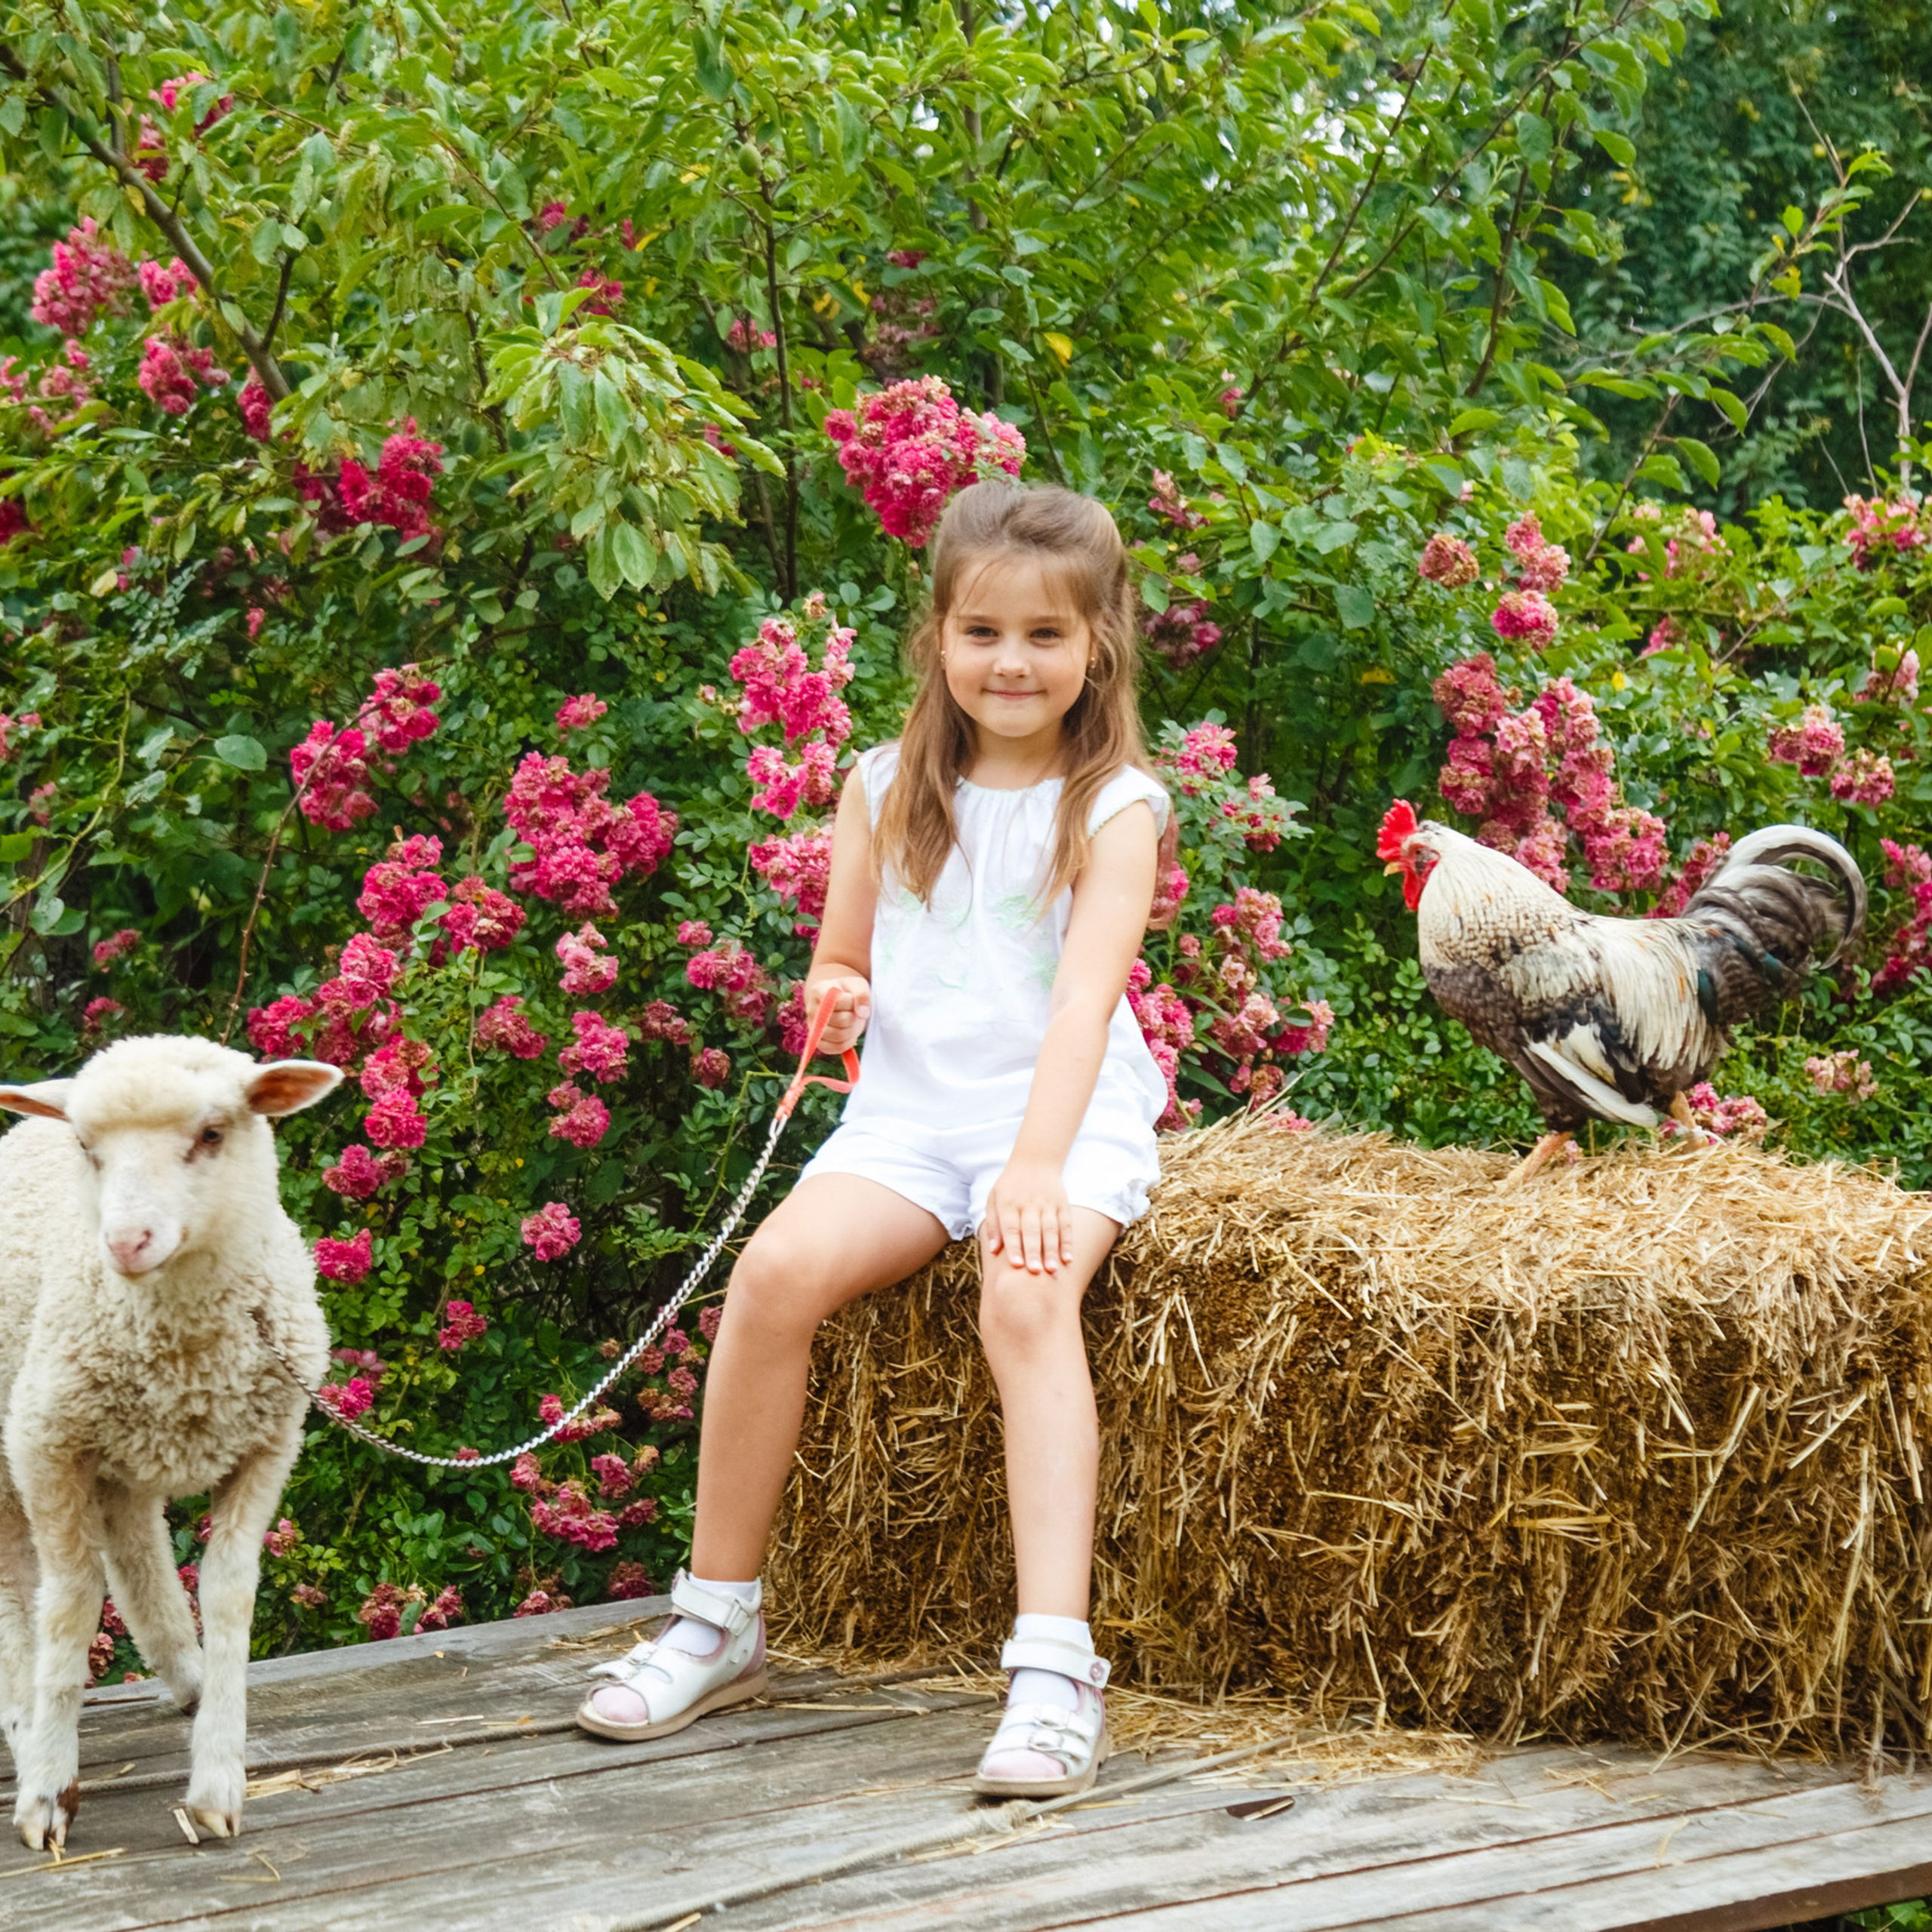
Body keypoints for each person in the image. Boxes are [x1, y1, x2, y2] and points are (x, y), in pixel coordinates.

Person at [575, 481, 1172, 1798]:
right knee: (774, 1278)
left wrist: (1032, 1164)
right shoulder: (884, 785)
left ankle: (1055, 1666)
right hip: (910, 1116)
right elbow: (843, 959)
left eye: (1044, 637)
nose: (1010, 663)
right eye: (982, 632)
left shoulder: (1116, 805)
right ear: (939, 639)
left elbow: (1083, 1001)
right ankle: (720, 1614)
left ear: (1097, 647)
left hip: (1059, 1118)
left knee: (1023, 1303)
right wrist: (834, 997)